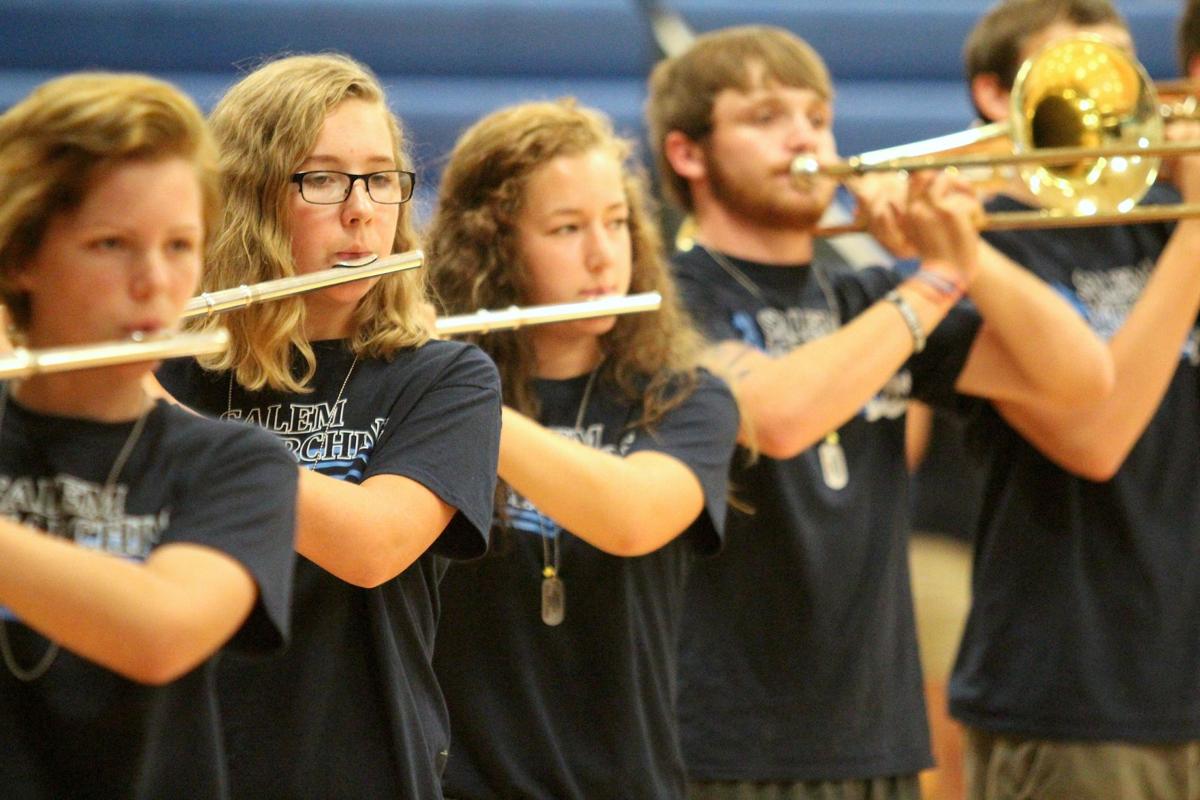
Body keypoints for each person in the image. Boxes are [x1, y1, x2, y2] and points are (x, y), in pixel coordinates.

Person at [644, 25, 1115, 799]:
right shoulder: (667, 298)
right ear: (688, 153)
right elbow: (780, 419)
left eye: (818, 116)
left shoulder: (865, 299)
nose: (805, 136)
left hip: (875, 738)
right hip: (723, 741)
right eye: (766, 116)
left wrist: (970, 256)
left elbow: (1081, 376)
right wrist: (932, 279)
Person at [155, 54, 502, 800]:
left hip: (363, 772)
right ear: (248, 198)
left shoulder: (443, 378)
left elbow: (371, 547)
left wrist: (144, 413)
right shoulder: (170, 369)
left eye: (380, 177)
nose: (362, 210)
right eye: (321, 178)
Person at [425, 99, 739, 799]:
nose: (604, 255)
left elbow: (632, 518)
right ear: (493, 248)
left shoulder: (687, 398)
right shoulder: (420, 405)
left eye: (617, 222)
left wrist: (453, 394)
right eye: (567, 229)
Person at [0, 73, 297, 799]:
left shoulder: (236, 464)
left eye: (179, 245)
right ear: (20, 257)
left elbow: (160, 634)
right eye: (111, 244)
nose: (156, 283)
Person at [945, 2, 1200, 797]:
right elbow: (1097, 437)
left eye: (1122, 71)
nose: (1114, 98)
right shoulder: (978, 247)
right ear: (997, 95)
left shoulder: (1159, 227)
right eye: (1083, 72)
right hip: (1073, 694)